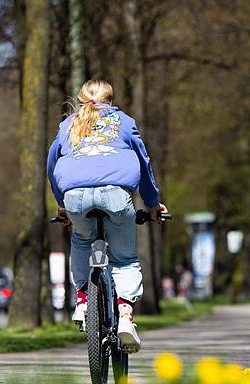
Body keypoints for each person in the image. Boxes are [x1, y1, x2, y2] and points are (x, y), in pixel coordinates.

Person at [47, 79, 168, 353]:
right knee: (124, 258)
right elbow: (143, 161)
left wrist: (62, 204)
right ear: (110, 100)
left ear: (80, 100)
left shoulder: (67, 126)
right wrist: (152, 203)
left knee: (80, 241)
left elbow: (52, 165)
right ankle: (125, 316)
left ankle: (81, 301)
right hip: (115, 195)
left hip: (74, 196)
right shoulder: (124, 122)